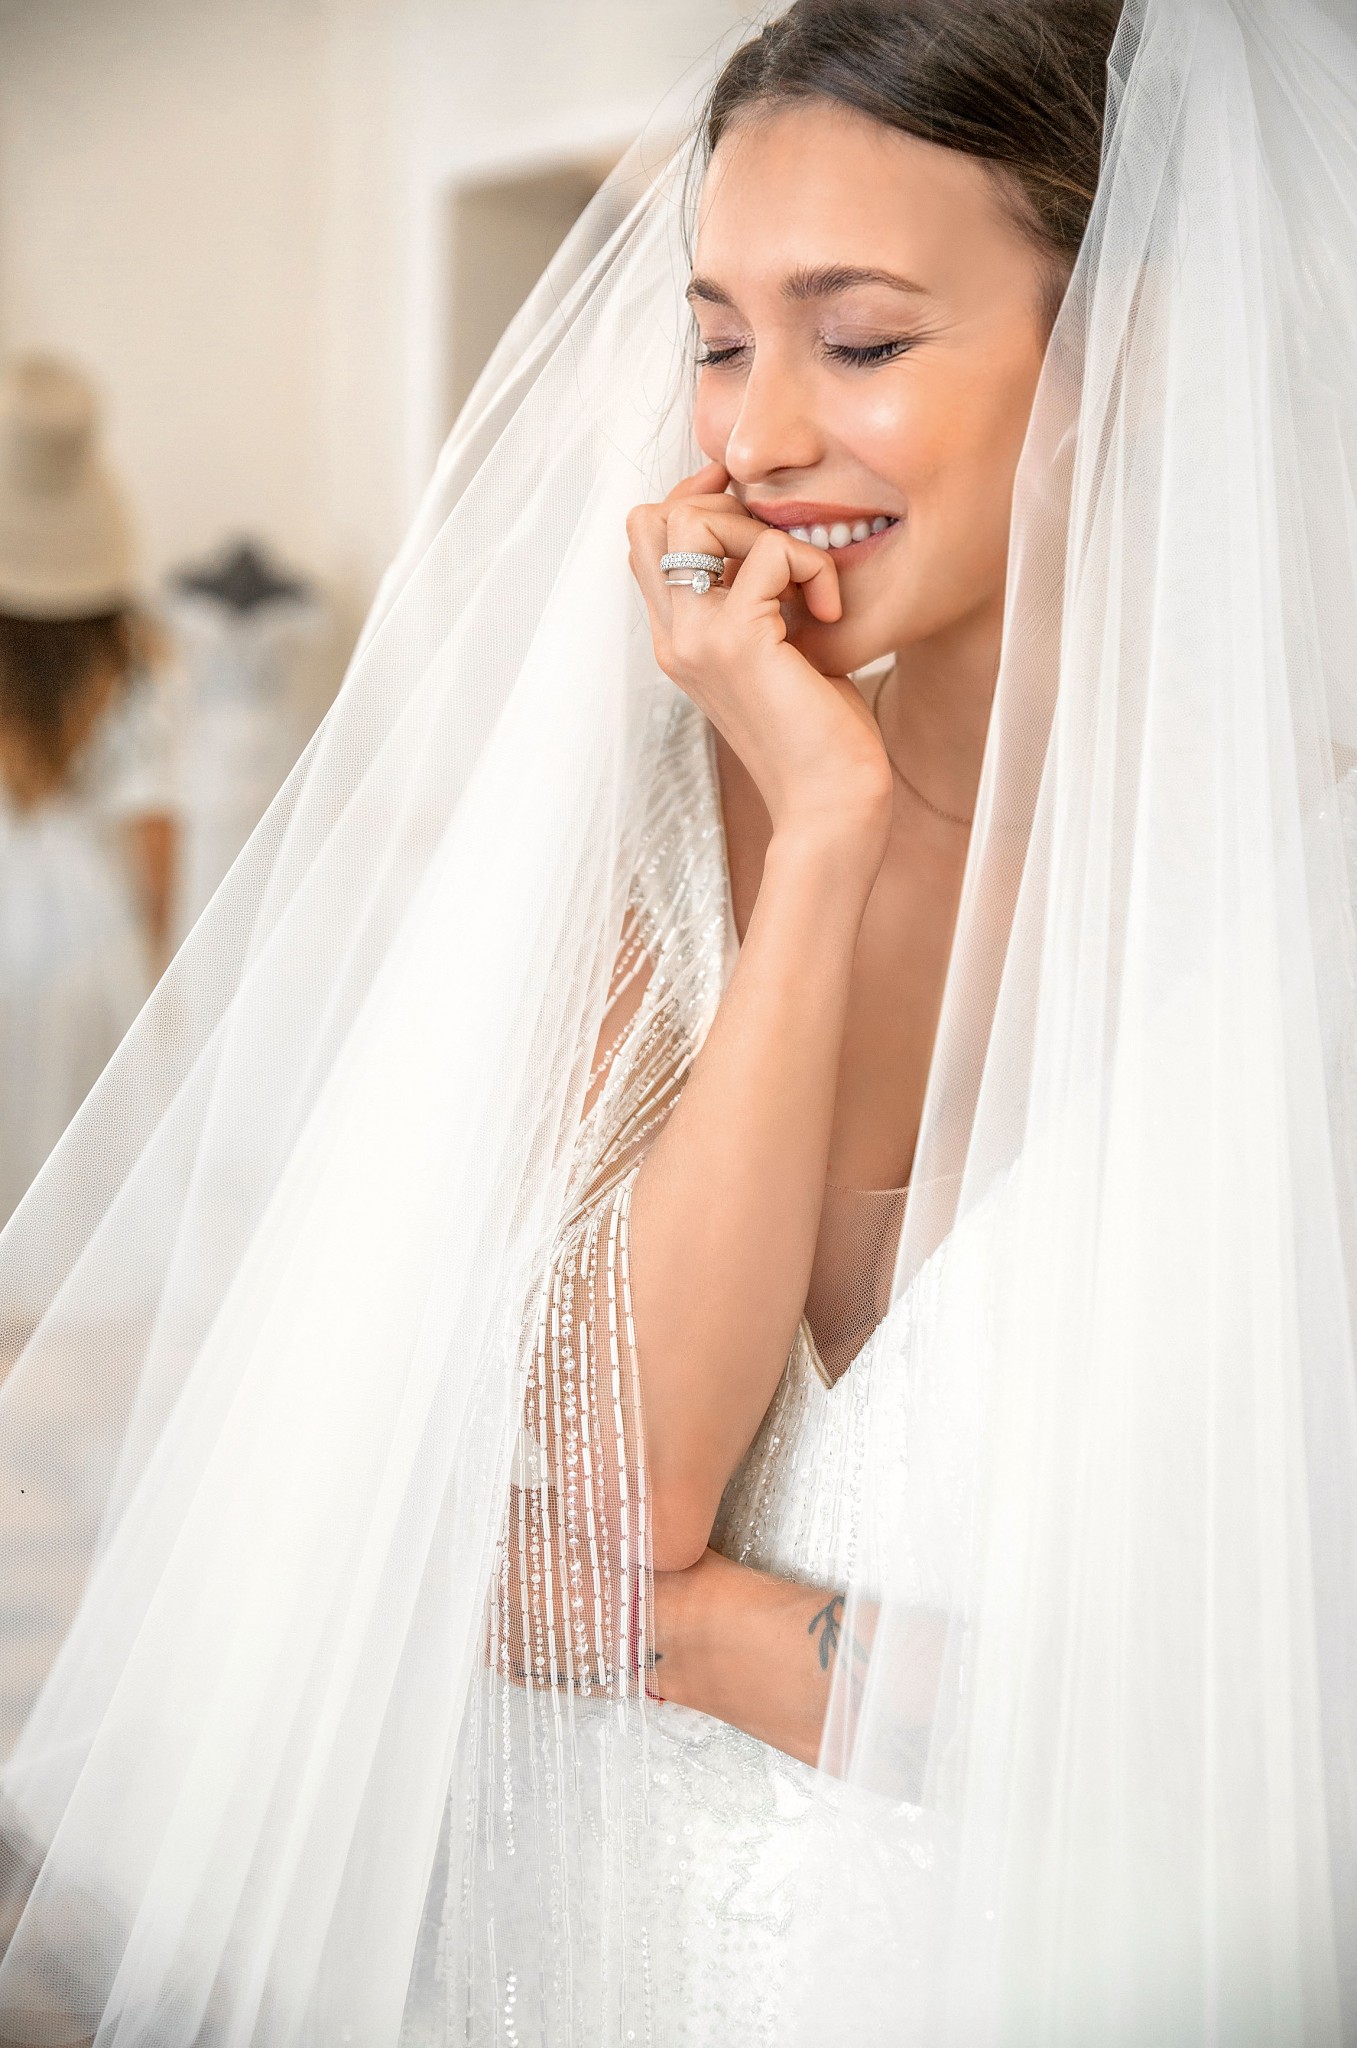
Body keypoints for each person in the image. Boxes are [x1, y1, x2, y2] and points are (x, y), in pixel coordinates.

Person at [0, 0, 1354, 2042]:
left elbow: (1263, 1724)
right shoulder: (668, 815)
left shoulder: (1311, 899)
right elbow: (616, 1492)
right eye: (718, 339)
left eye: (860, 339)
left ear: (1131, 352)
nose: (754, 435)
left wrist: (726, 1639)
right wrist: (818, 836)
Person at [0, 355, 152, 1228]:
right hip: (91, 928)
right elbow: (153, 827)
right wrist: (159, 963)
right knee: (78, 1144)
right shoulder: (130, 658)